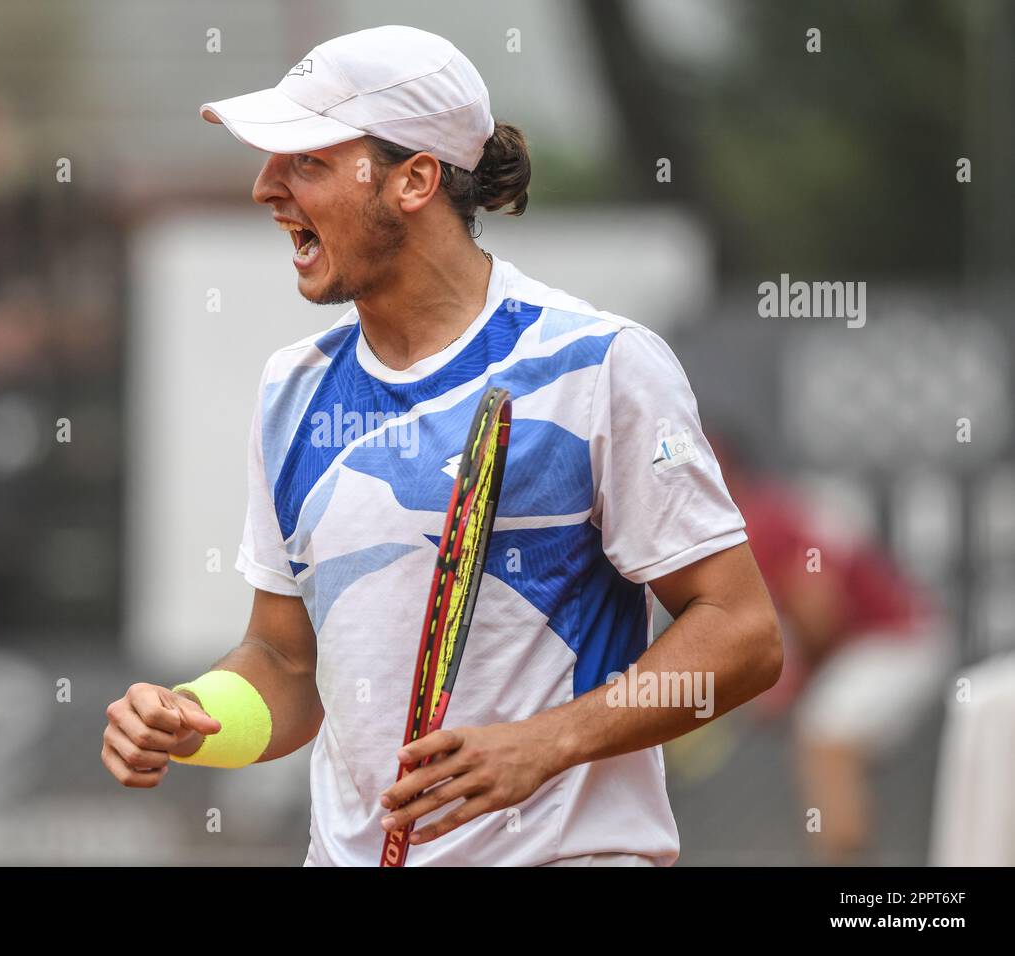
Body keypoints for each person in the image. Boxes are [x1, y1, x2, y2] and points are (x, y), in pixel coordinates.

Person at [103, 24, 782, 866]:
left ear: (414, 179)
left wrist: (548, 742)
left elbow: (745, 634)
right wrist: (191, 718)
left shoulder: (599, 364)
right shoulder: (294, 388)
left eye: (307, 162)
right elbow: (285, 661)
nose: (264, 189)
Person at [710, 429, 953, 863]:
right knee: (825, 738)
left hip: (896, 641)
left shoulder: (758, 518)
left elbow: (819, 605)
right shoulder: (768, 509)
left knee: (826, 734)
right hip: (885, 642)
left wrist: (792, 680)